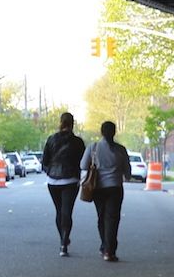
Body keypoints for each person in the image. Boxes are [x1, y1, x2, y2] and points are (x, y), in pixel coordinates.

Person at [79, 120, 131, 261]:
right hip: (115, 187)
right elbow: (128, 172)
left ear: (101, 132)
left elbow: (83, 165)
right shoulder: (121, 149)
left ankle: (104, 247)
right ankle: (110, 251)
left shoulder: (93, 148)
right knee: (113, 219)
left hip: (98, 188)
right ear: (114, 132)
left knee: (102, 217)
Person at [40, 112, 86, 258]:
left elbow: (44, 161)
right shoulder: (78, 142)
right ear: (72, 123)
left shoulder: (51, 139)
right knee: (67, 212)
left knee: (59, 212)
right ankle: (64, 242)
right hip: (70, 180)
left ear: (60, 123)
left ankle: (63, 239)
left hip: (53, 181)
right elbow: (83, 162)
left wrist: (50, 172)